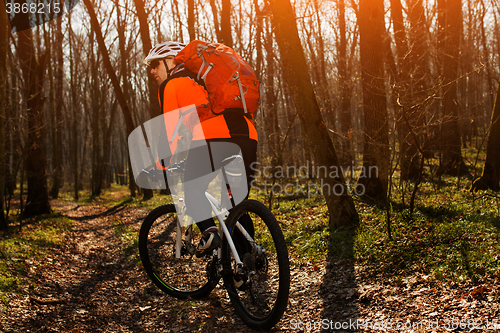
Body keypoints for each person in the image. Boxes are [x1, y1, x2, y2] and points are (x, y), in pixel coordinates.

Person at [144, 41, 258, 257]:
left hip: (214, 137)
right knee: (234, 203)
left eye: (155, 64)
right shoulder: (206, 78)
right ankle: (247, 264)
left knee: (191, 188)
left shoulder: (172, 84)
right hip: (248, 136)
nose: (152, 71)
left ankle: (209, 233)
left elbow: (169, 134)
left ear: (170, 62)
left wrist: (161, 166)